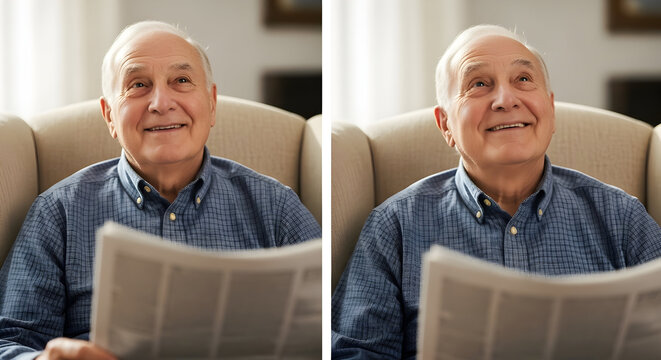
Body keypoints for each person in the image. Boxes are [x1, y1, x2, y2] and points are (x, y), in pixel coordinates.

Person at [331, 24, 661, 359]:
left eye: (523, 80)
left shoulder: (622, 218)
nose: (505, 100)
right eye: (478, 84)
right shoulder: (394, 226)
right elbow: (358, 353)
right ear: (446, 125)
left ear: (550, 108)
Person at [0, 21, 320, 360]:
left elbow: (330, 337)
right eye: (138, 84)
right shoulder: (58, 212)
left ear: (211, 103)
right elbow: (9, 340)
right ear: (109, 115)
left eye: (181, 81)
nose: (161, 102)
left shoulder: (276, 207)